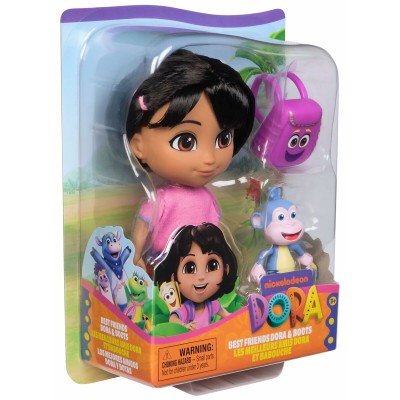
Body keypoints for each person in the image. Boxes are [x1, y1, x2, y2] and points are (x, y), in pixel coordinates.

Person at [125, 49, 255, 276]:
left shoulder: (207, 198)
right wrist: (135, 255)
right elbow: (144, 225)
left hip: (201, 265)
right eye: (186, 141)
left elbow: (215, 230)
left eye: (223, 139)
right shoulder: (163, 199)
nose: (209, 158)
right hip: (165, 262)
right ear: (139, 146)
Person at [154, 223, 238, 331]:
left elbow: (227, 315)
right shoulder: (188, 308)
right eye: (190, 268)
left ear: (226, 269)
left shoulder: (212, 305)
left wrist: (239, 318)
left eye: (212, 266)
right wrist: (183, 325)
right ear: (173, 277)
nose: (201, 277)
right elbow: (173, 318)